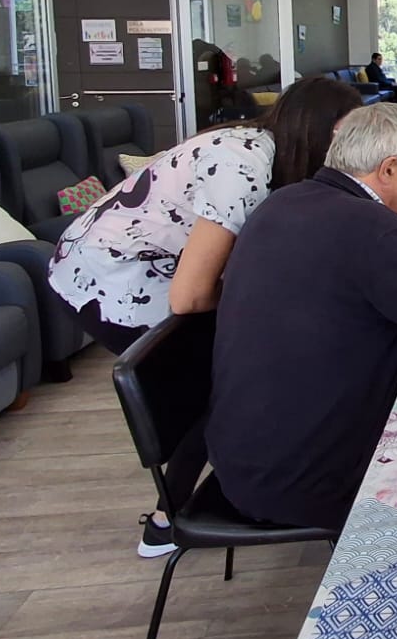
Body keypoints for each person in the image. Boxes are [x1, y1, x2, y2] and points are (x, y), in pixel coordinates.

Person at [48, 75, 363, 555]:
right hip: (109, 278)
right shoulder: (242, 161)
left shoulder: (273, 155)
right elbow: (190, 296)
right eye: (345, 135)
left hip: (150, 271)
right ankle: (167, 521)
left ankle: (171, 515)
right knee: (220, 387)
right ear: (315, 126)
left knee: (228, 382)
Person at [206, 104, 397, 532]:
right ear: (387, 170)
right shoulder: (372, 226)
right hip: (306, 479)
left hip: (244, 457)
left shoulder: (283, 201)